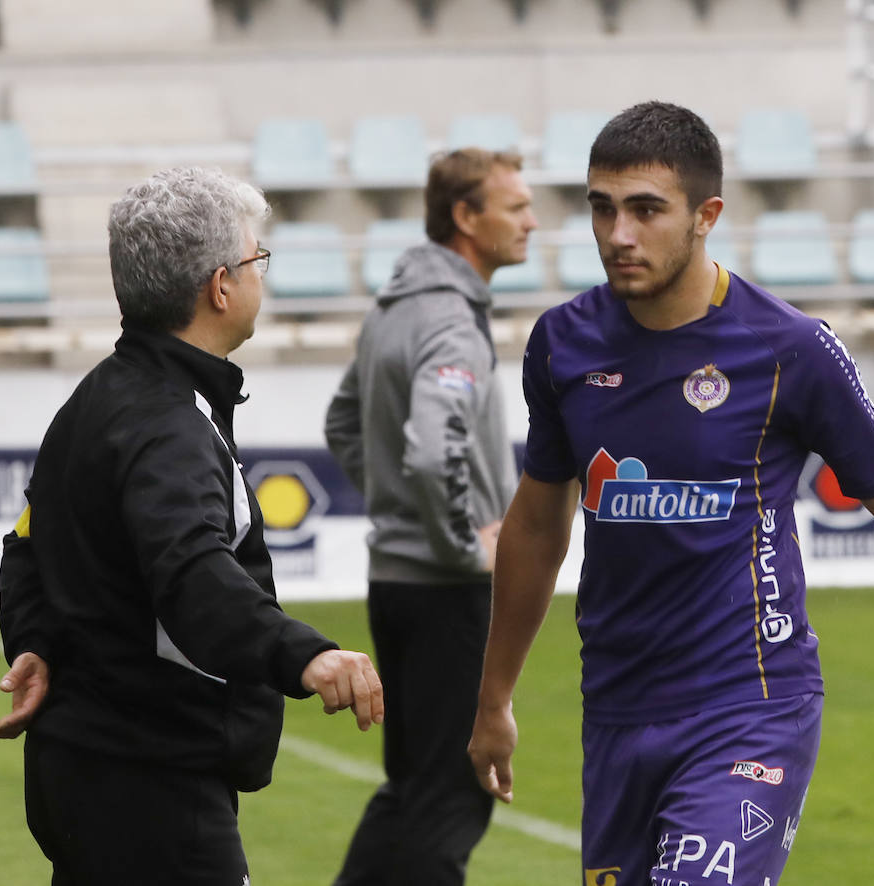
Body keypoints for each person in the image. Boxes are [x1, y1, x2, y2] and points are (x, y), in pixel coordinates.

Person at [467, 101, 874, 885]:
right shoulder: (563, 344)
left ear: (707, 216)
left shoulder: (789, 350)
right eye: (602, 209)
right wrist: (494, 697)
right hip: (617, 711)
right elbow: (535, 528)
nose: (618, 235)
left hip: (752, 706)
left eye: (645, 210)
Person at [0, 166, 384, 886]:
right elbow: (194, 577)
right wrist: (307, 656)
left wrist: (35, 642)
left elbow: (23, 547)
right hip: (151, 789)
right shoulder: (168, 427)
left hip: (82, 773)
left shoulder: (95, 400)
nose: (264, 274)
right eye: (257, 258)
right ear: (220, 286)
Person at [323, 148, 534, 886]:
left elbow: (344, 425)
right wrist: (460, 545)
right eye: (516, 207)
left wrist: (403, 515)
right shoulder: (450, 322)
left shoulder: (394, 309)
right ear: (466, 218)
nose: (532, 221)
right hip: (448, 592)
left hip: (397, 584)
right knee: (452, 796)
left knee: (415, 790)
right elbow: (430, 443)